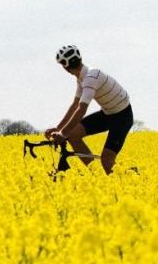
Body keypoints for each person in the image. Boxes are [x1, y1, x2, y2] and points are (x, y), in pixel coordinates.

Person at [45, 45, 133, 174]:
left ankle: (131, 178)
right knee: (73, 134)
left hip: (122, 117)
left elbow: (81, 109)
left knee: (107, 160)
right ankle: (97, 175)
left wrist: (63, 133)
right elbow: (75, 105)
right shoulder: (82, 77)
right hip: (108, 113)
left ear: (65, 66)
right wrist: (59, 128)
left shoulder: (90, 77)